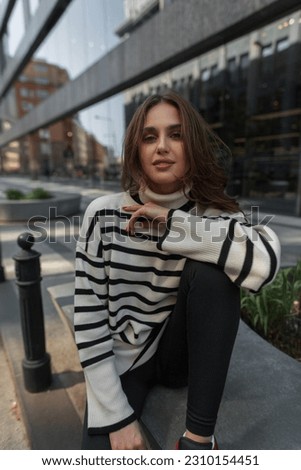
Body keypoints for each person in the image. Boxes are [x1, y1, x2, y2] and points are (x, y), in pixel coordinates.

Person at [74, 91, 281, 450]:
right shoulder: (103, 214)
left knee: (215, 269)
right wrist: (118, 417)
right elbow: (89, 316)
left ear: (193, 145)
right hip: (127, 357)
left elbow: (265, 265)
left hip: (178, 354)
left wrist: (174, 224)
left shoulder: (212, 215)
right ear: (136, 150)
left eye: (176, 134)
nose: (162, 147)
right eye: (149, 137)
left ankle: (200, 442)